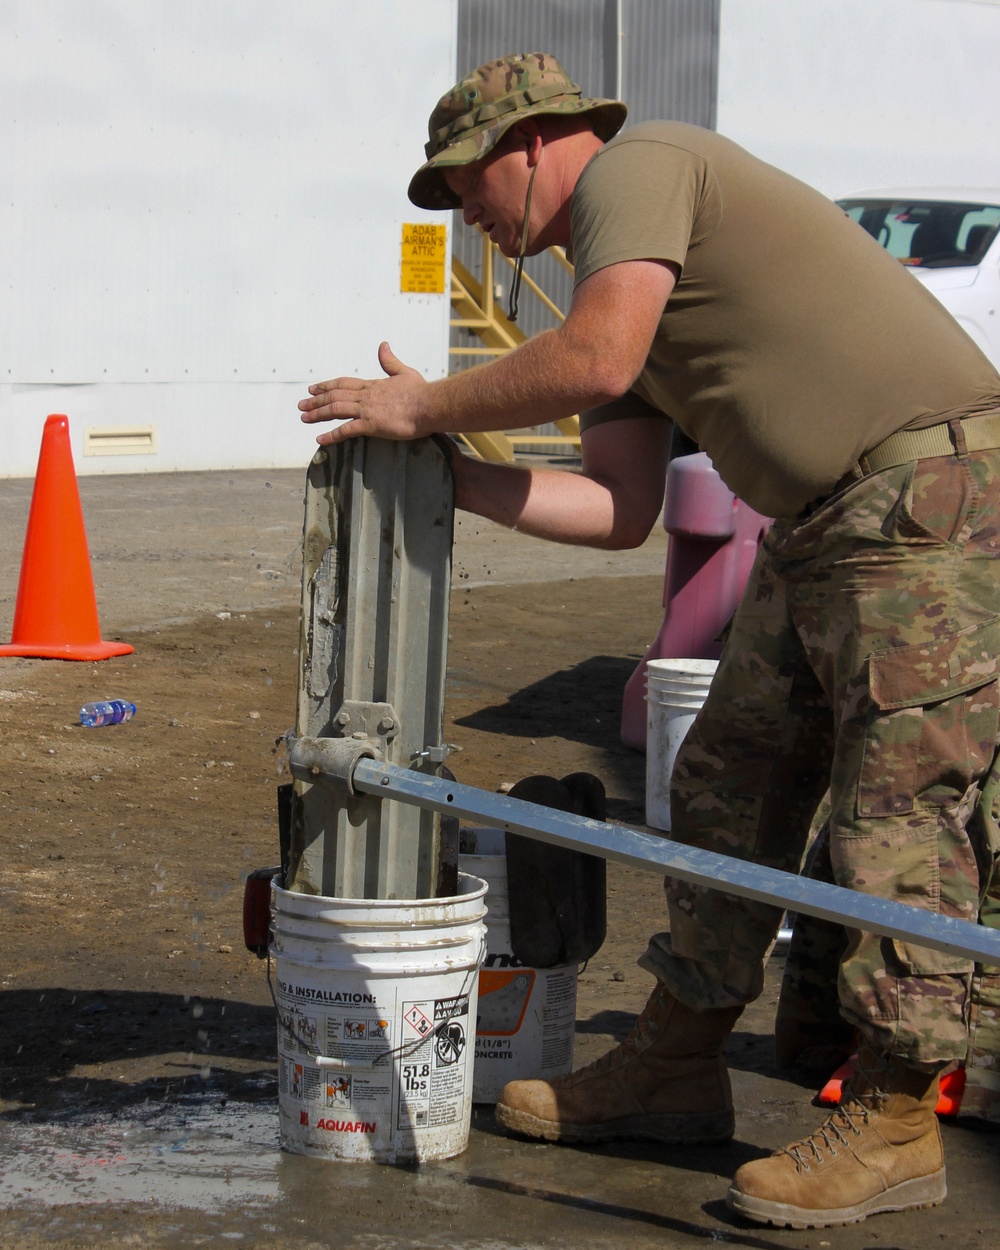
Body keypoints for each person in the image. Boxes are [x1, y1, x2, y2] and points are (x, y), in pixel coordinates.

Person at [299, 52, 1000, 1229]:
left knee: (899, 814)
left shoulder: (644, 165)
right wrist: (454, 475)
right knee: (726, 778)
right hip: (829, 524)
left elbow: (596, 361)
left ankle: (893, 1116)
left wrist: (425, 404)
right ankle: (676, 1059)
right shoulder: (612, 278)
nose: (462, 212)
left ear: (533, 142)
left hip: (928, 503)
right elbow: (620, 508)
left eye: (463, 183)